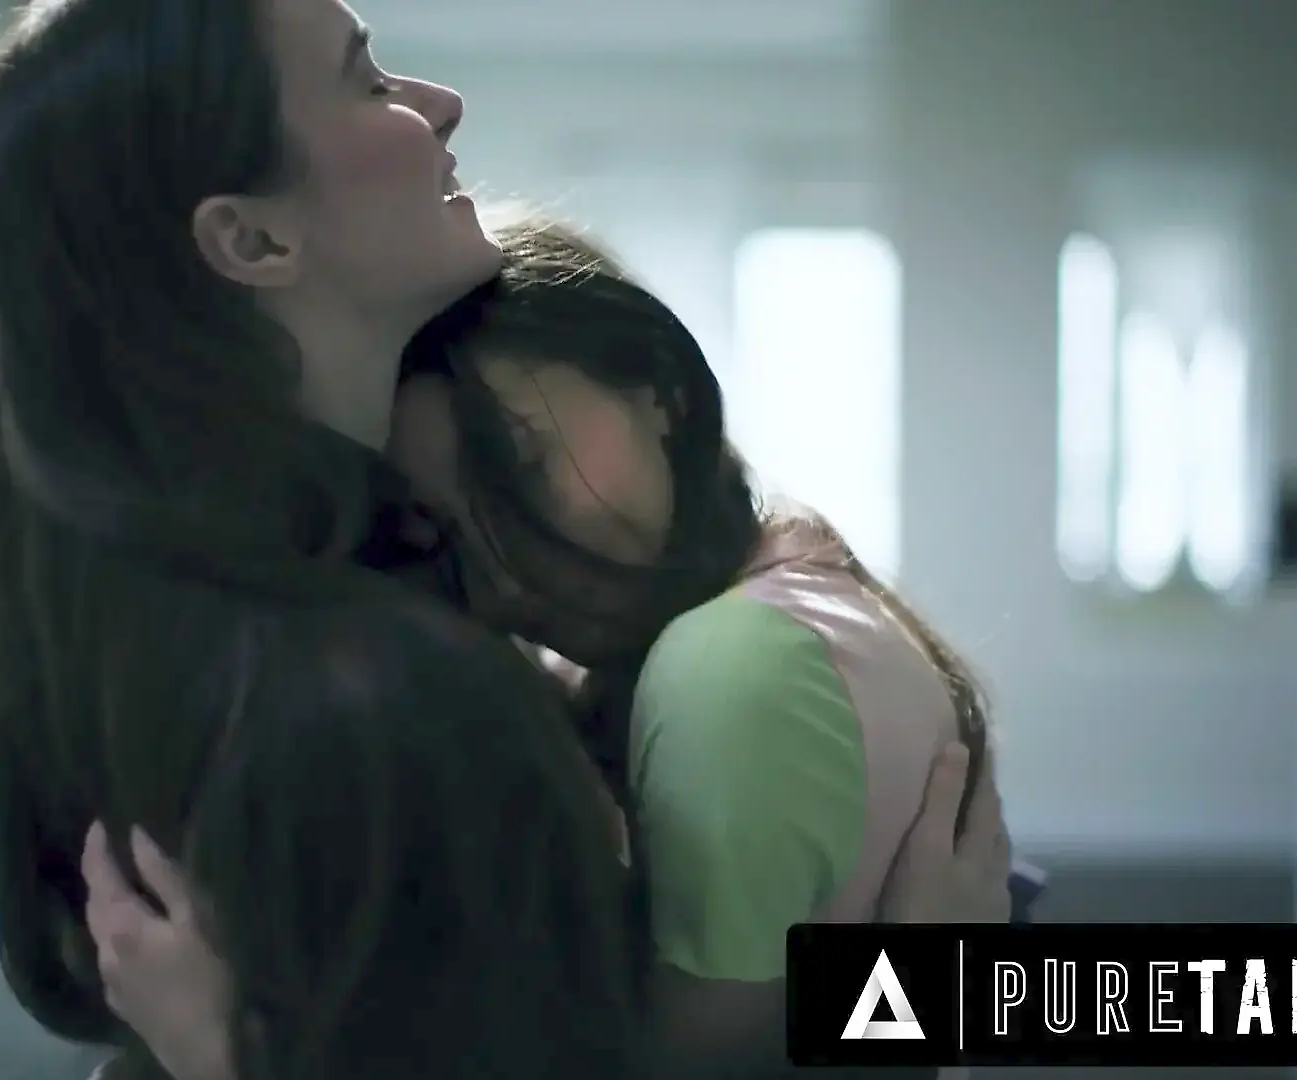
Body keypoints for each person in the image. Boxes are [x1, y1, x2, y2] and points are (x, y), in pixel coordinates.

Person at [0, 0, 1012, 1076]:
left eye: (516, 462)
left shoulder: (216, 656)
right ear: (253, 237)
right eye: (366, 80)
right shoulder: (367, 705)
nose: (441, 104)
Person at [79, 222, 1017, 1078]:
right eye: (443, 536)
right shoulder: (792, 604)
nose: (503, 574)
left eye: (518, 468)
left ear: (659, 388)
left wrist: (226, 1057)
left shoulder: (730, 666)